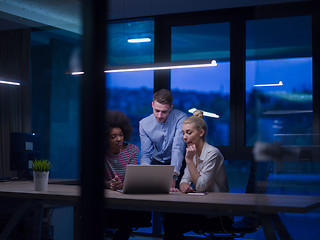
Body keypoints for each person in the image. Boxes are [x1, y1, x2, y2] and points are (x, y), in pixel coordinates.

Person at [163, 110, 232, 239]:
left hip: (218, 214)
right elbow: (184, 180)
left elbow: (201, 186)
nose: (184, 137)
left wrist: (189, 161)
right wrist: (184, 186)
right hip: (201, 209)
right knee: (170, 217)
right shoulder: (192, 152)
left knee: (171, 220)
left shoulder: (213, 153)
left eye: (189, 133)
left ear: (201, 132)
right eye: (183, 133)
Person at [104, 110, 151, 240]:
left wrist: (121, 184)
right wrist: (109, 184)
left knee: (127, 217)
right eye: (113, 136)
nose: (119, 139)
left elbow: (131, 178)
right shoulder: (101, 152)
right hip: (108, 200)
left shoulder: (133, 150)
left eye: (121, 134)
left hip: (126, 200)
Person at [139, 89, 187, 187]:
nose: (159, 116)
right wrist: (144, 172)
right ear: (152, 105)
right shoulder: (144, 124)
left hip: (178, 166)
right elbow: (146, 154)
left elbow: (178, 147)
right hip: (156, 164)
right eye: (157, 111)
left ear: (171, 108)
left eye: (164, 112)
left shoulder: (181, 118)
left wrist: (174, 175)